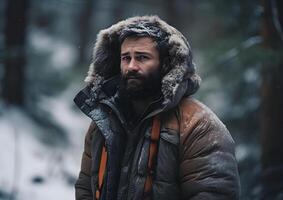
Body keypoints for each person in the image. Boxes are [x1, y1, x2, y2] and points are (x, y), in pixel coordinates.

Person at [74, 15, 240, 200]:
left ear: (165, 64)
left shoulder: (199, 125)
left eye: (142, 57)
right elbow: (85, 187)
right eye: (125, 58)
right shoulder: (103, 121)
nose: (131, 66)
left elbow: (214, 194)